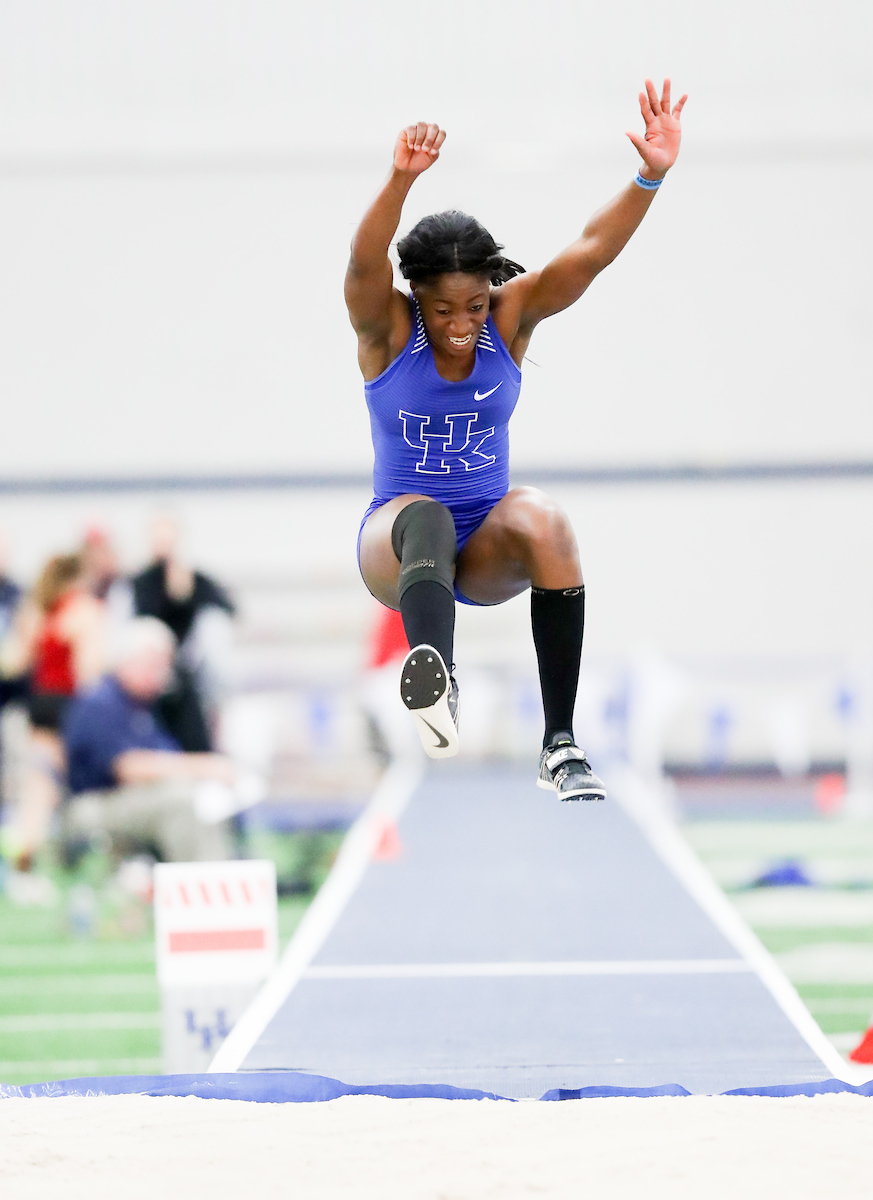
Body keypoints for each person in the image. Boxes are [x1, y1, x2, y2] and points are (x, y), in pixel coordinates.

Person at [347, 78, 686, 800]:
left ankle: (558, 745)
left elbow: (589, 252)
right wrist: (398, 181)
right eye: (443, 309)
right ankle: (435, 678)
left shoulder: (509, 318)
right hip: (398, 545)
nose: (461, 323)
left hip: (485, 550)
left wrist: (647, 176)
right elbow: (361, 266)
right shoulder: (386, 331)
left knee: (547, 517)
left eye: (473, 304)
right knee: (427, 516)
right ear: (417, 298)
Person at [62, 617, 233, 862]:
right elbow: (127, 767)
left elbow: (167, 756)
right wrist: (203, 767)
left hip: (136, 799)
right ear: (130, 659)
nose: (163, 675)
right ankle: (198, 882)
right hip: (94, 804)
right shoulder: (100, 702)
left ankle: (216, 876)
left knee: (202, 797)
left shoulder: (145, 709)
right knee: (182, 801)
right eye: (155, 664)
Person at [0, 553, 104, 866]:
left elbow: (15, 662)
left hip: (41, 706)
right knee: (66, 788)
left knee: (38, 786)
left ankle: (27, 853)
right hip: (68, 708)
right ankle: (40, 857)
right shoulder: (84, 610)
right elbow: (88, 673)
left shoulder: (39, 612)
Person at [131, 513, 235, 752]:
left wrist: (186, 595)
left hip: (189, 681)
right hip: (146, 682)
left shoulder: (197, 581)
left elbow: (228, 611)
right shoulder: (138, 584)